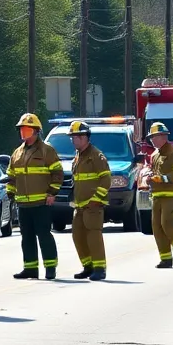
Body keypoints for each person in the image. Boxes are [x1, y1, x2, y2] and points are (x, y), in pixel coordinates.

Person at [7, 113, 63, 280]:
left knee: (44, 236)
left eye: (27, 129)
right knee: (27, 238)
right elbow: (12, 175)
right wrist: (10, 192)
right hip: (23, 204)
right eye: (21, 129)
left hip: (41, 203)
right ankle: (30, 268)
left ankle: (50, 267)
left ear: (36, 131)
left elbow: (57, 173)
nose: (23, 132)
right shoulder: (17, 153)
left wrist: (52, 193)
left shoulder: (47, 151)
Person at [68, 120, 110, 281]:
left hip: (93, 205)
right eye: (72, 137)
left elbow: (106, 180)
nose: (73, 140)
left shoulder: (96, 156)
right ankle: (88, 266)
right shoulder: (78, 156)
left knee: (93, 236)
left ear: (85, 137)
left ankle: (100, 268)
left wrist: (96, 199)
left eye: (76, 137)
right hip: (79, 206)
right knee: (77, 236)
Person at [146, 122, 173, 268]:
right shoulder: (155, 155)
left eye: (155, 137)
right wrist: (150, 177)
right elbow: (153, 171)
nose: (152, 140)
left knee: (167, 223)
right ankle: (166, 259)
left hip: (172, 195)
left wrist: (164, 178)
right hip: (157, 195)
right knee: (157, 227)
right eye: (151, 137)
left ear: (163, 136)